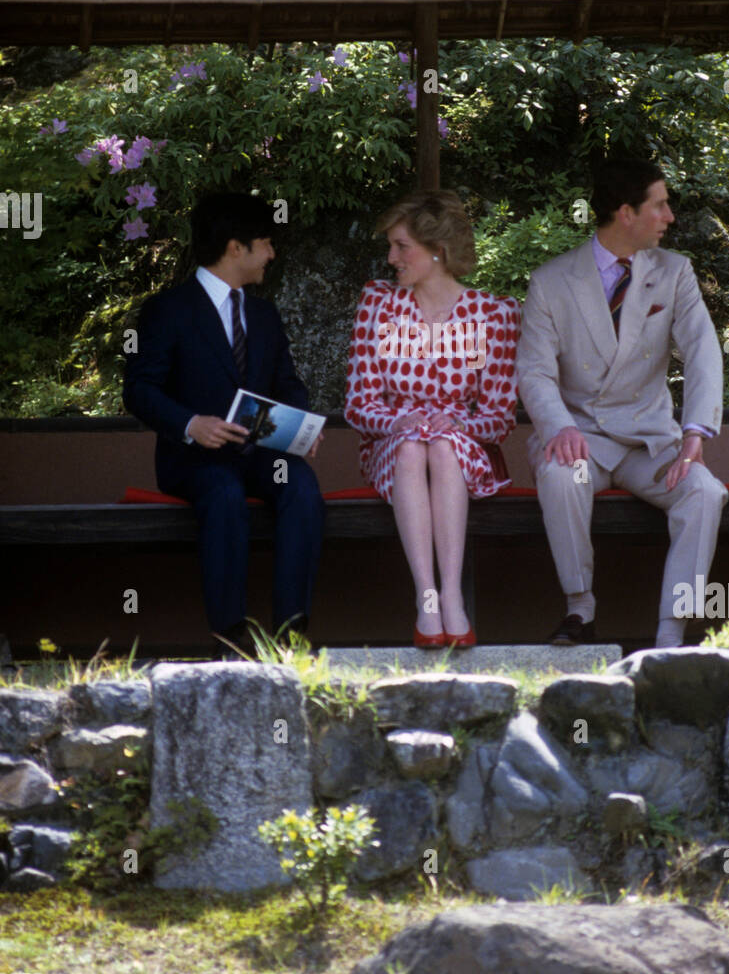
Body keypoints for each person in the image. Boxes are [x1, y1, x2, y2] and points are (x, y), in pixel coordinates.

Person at [516, 159, 727, 649]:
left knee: (705, 493)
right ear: (627, 212)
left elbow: (702, 352)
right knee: (561, 474)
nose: (670, 216)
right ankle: (579, 608)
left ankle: (671, 635)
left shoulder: (676, 273)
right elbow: (535, 371)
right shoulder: (551, 280)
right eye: (660, 205)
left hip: (648, 444)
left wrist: (696, 432)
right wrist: (558, 427)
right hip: (583, 441)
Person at [123, 191, 325, 657]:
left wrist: (299, 429)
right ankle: (231, 636)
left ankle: (292, 635)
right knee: (224, 494)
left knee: (301, 488)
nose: (272, 254)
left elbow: (288, 385)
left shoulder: (264, 313)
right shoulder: (166, 310)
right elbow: (139, 389)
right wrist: (191, 424)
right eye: (266, 242)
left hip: (261, 454)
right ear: (237, 247)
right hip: (193, 459)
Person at [344, 190, 520, 648]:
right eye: (391, 246)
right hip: (391, 446)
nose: (391, 257)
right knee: (412, 444)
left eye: (402, 247)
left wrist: (459, 425)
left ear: (437, 251)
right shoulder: (379, 304)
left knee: (439, 445)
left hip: (462, 447)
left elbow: (499, 416)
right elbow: (359, 404)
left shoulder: (492, 314)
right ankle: (427, 597)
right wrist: (398, 423)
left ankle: (452, 596)